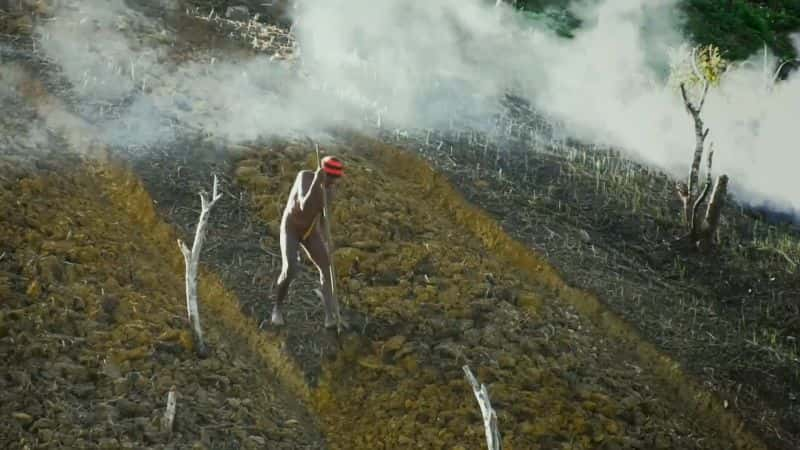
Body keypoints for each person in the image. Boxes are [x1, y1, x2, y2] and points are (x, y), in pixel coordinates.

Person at [271, 155, 344, 329]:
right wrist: (316, 184)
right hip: (291, 228)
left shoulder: (330, 190)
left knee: (327, 268)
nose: (332, 183)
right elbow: (303, 205)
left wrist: (327, 239)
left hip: (310, 231)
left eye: (335, 180)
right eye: (331, 179)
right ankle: (277, 309)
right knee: (290, 269)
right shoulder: (305, 177)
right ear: (324, 174)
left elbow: (322, 217)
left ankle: (329, 316)